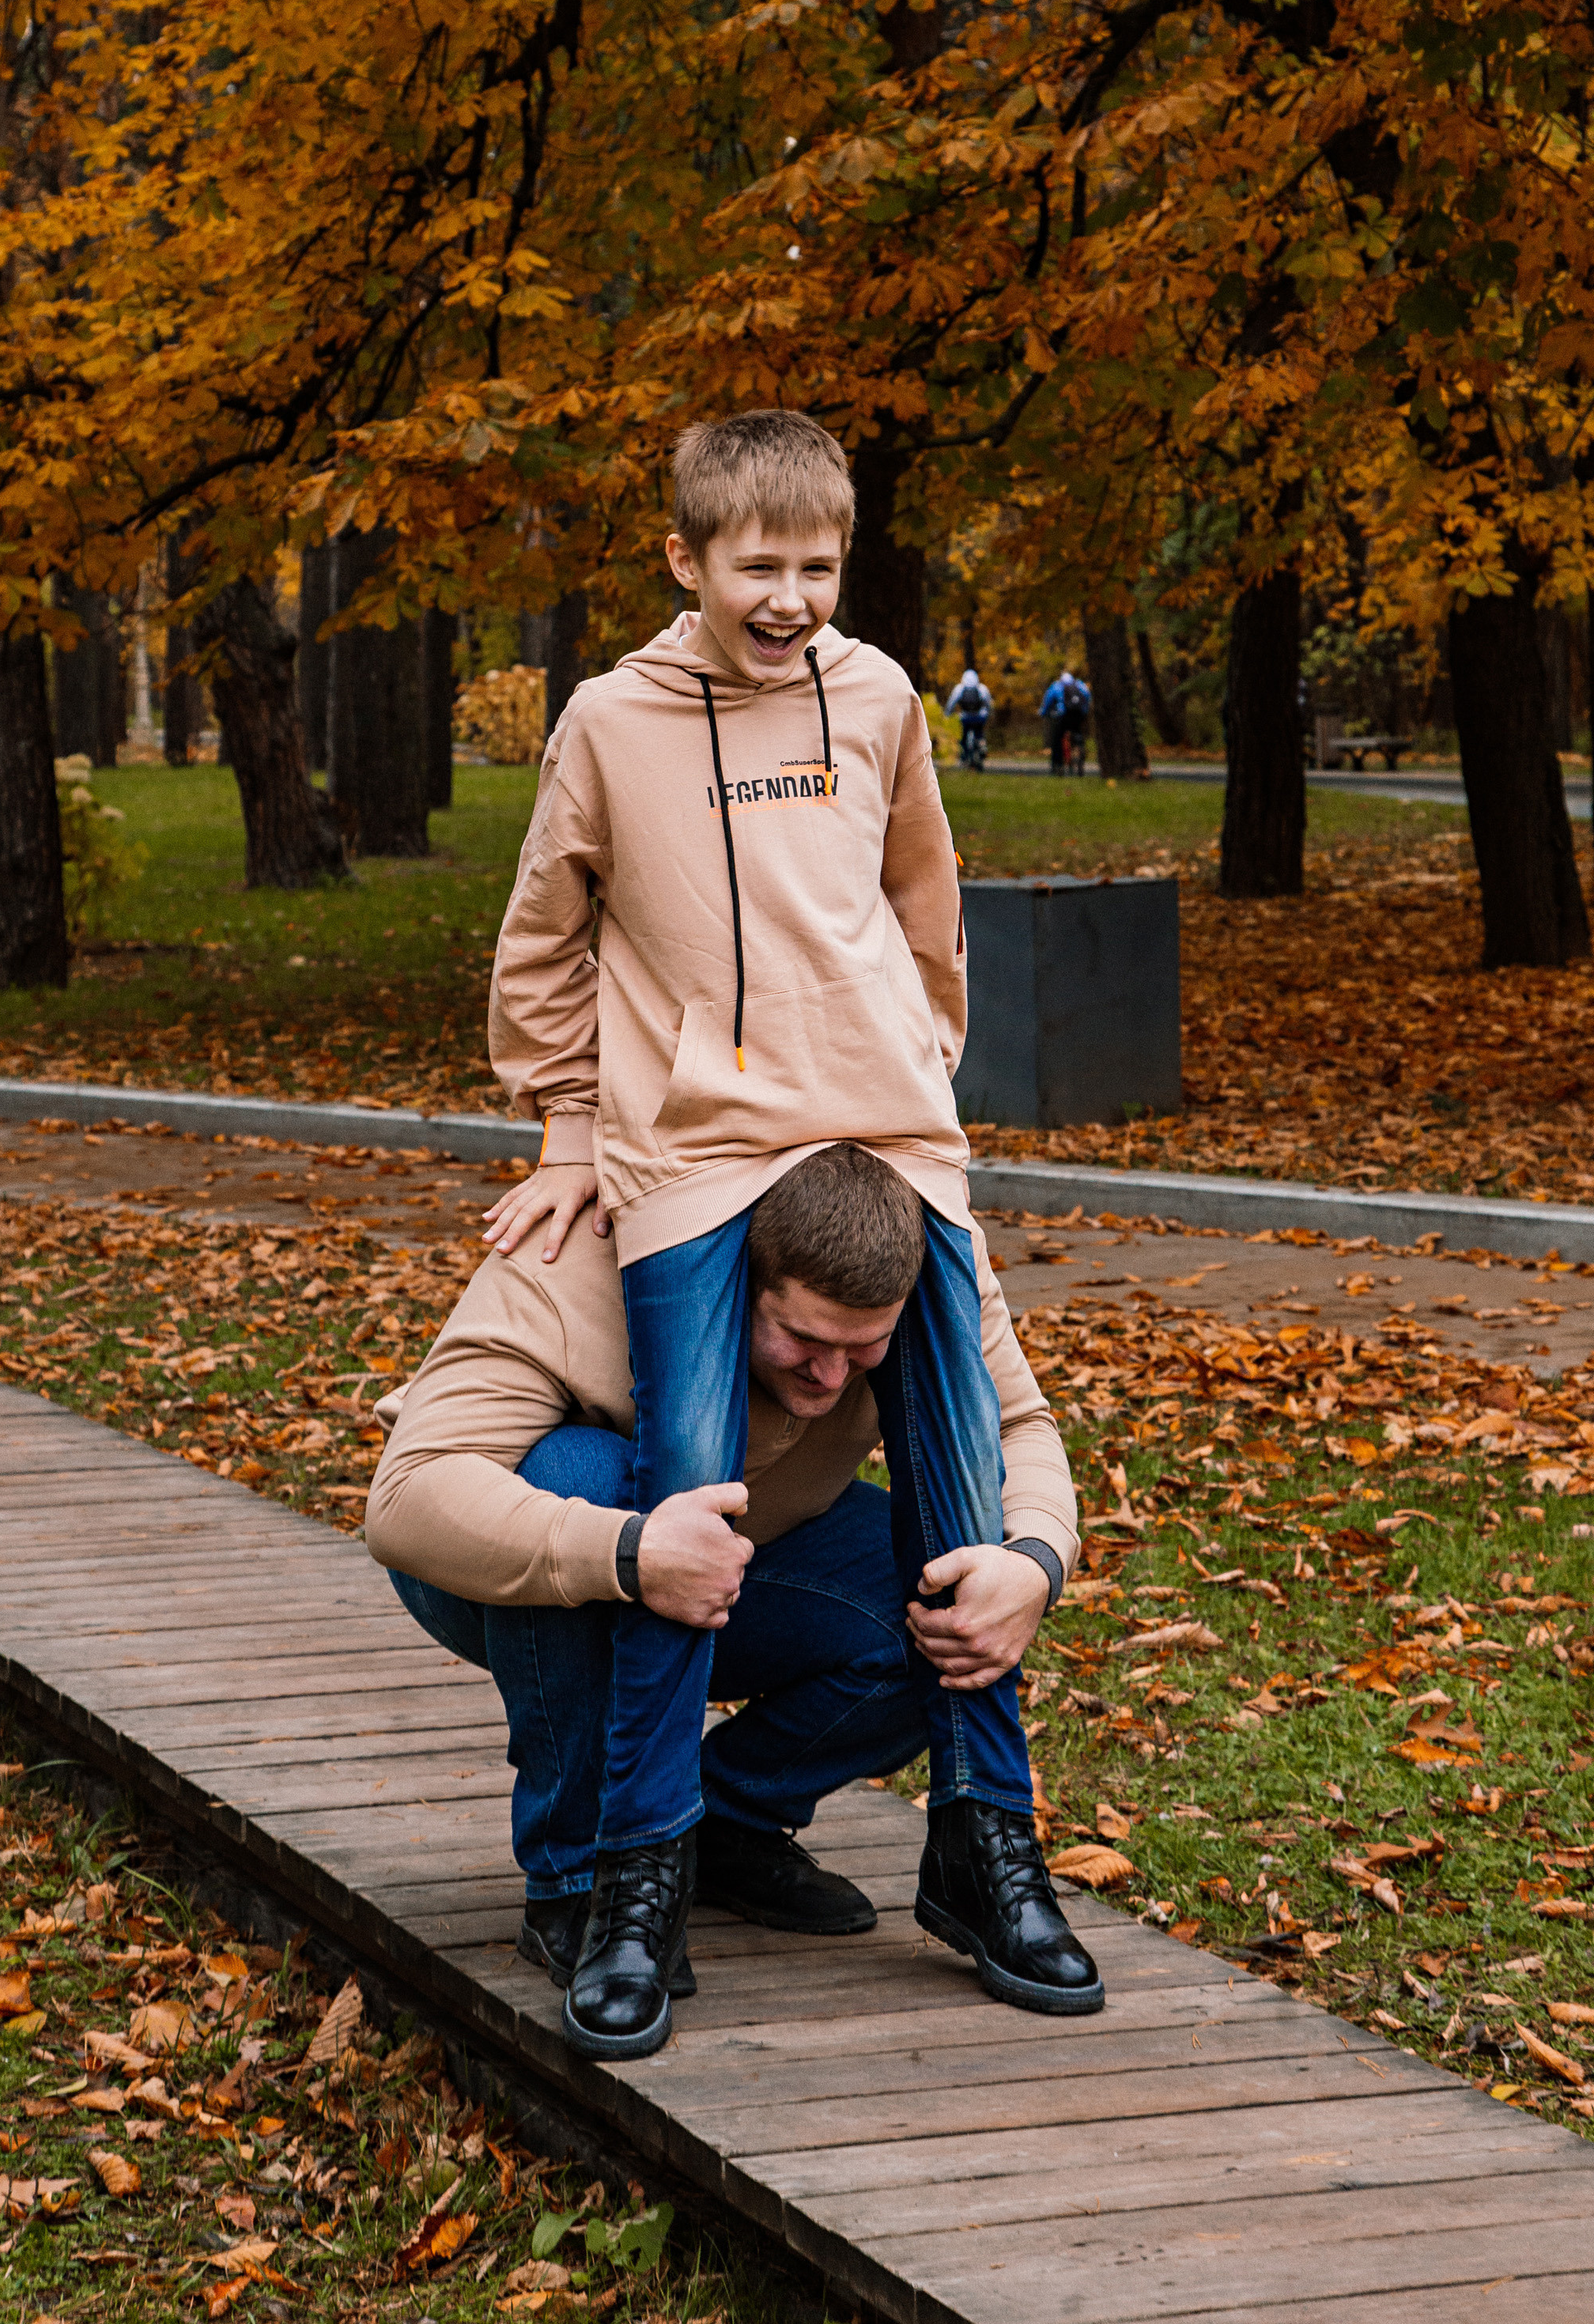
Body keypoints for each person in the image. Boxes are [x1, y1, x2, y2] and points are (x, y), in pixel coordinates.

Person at [485, 408, 1100, 2058]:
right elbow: (546, 931)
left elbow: (924, 895)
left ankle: (987, 1846)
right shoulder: (614, 721)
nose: (792, 596)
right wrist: (561, 1119)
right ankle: (641, 1872)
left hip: (885, 1126)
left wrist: (924, 1057)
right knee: (691, 1499)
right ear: (686, 561)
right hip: (695, 1149)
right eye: (759, 564)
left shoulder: (882, 696)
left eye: (817, 564)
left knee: (962, 1486)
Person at [367, 1145, 1084, 2054]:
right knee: (582, 1474)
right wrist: (627, 1553)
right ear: (737, 1276)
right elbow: (406, 1501)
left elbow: (1017, 1423)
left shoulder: (934, 1265)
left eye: (862, 1349)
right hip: (527, 1566)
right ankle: (579, 1875)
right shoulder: (575, 1260)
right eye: (803, 1340)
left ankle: (723, 1823)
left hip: (752, 1560)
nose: (831, 1377)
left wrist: (1035, 1562)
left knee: (945, 1583)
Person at [943, 664, 992, 769]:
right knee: (979, 733)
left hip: (965, 717)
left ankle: (964, 758)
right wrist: (987, 713)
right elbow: (988, 703)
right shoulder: (982, 688)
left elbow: (952, 703)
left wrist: (947, 714)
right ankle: (982, 744)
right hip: (980, 717)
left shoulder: (960, 688)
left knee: (963, 737)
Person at [1061, 670, 1092, 777]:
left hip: (1068, 715)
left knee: (1066, 735)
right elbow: (1088, 696)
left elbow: (1057, 700)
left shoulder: (1061, 686)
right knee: (1079, 734)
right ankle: (1081, 751)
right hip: (1081, 715)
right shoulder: (1080, 685)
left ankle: (1069, 759)